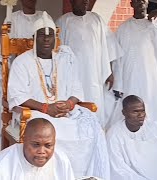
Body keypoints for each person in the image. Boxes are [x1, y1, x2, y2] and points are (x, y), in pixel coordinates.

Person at [7, 12, 109, 179]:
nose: (46, 40)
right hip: (36, 111)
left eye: (50, 36)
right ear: (34, 38)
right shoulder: (22, 62)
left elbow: (76, 89)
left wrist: (69, 104)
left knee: (91, 128)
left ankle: (82, 175)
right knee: (53, 132)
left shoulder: (65, 59)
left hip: (64, 111)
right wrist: (46, 108)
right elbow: (17, 95)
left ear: (55, 38)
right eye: (42, 35)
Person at [55, 0, 123, 128]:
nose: (86, 1)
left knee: (94, 105)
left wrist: (109, 72)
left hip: (94, 74)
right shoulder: (62, 22)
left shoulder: (97, 19)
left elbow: (109, 46)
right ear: (72, 2)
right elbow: (57, 52)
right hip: (72, 76)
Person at [0, 0, 51, 149]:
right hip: (19, 72)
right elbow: (5, 54)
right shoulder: (12, 19)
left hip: (41, 74)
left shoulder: (44, 17)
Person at [107, 95, 157, 180]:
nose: (141, 115)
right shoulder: (114, 135)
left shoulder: (153, 126)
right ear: (124, 112)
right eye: (135, 111)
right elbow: (119, 170)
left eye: (143, 111)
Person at [0, 118, 75, 180]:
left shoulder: (61, 160)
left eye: (48, 145)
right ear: (23, 139)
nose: (42, 151)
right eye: (36, 145)